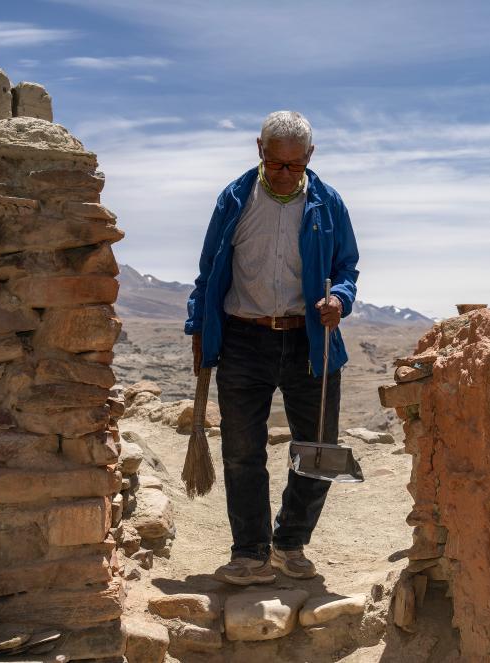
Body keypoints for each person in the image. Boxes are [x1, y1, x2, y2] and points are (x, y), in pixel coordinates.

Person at [185, 111, 359, 585]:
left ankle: (290, 543)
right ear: (260, 149)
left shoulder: (328, 204)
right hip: (244, 338)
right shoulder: (235, 199)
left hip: (311, 340)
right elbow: (209, 270)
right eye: (276, 163)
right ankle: (250, 553)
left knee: (318, 447)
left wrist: (339, 300)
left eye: (296, 165)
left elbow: (346, 267)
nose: (285, 173)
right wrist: (199, 328)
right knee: (243, 451)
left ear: (310, 156)